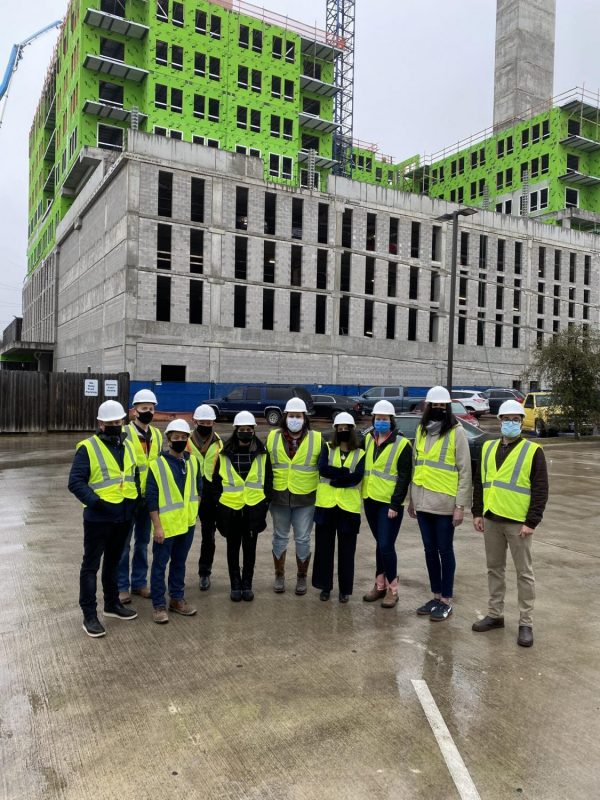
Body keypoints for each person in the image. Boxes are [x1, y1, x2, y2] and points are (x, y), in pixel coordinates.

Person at [471, 399, 548, 647]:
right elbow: (480, 482)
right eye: (507, 419)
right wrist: (477, 512)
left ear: (521, 422)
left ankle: (526, 623)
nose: (511, 423)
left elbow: (540, 489)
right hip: (492, 519)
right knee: (494, 569)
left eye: (515, 419)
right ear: (500, 421)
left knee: (524, 573)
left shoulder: (533, 451)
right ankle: (495, 615)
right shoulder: (488, 448)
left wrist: (532, 521)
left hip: (518, 523)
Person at [68, 400, 140, 638]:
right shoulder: (87, 448)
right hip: (98, 518)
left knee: (113, 562)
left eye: (118, 422)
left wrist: (134, 502)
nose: (115, 425)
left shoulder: (127, 445)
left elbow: (132, 476)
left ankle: (112, 604)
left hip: (123, 515)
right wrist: (97, 503)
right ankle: (89, 615)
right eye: (110, 422)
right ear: (100, 424)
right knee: (91, 566)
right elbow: (75, 482)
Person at [408, 386, 472, 621]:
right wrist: (412, 499)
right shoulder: (421, 430)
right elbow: (416, 466)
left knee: (445, 550)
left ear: (448, 407)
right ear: (427, 406)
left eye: (442, 405)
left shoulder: (456, 432)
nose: (438, 409)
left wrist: (460, 506)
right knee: (429, 551)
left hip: (445, 504)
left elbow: (465, 471)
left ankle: (446, 600)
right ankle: (435, 596)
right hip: (422, 502)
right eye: (434, 405)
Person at [212, 411, 273, 601]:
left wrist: (264, 503)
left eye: (248, 429)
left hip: (253, 508)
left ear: (253, 430)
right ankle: (235, 584)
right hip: (230, 509)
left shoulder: (262, 454)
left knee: (250, 549)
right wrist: (220, 505)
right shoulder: (224, 454)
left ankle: (247, 584)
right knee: (232, 548)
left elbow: (268, 481)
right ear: (236, 430)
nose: (245, 432)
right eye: (242, 429)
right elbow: (216, 482)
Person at [146, 419, 201, 624]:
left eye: (184, 437)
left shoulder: (192, 462)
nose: (180, 440)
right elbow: (151, 498)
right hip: (166, 526)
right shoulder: (157, 465)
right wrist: (157, 526)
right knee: (160, 565)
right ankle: (159, 605)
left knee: (179, 563)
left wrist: (193, 512)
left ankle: (177, 599)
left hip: (187, 524)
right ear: (169, 440)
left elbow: (199, 489)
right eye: (176, 437)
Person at [266, 397, 322, 595]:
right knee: (279, 537)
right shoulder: (272, 437)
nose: (295, 419)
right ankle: (279, 575)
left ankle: (301, 577)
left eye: (298, 416)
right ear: (285, 417)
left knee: (303, 539)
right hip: (279, 496)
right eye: (292, 416)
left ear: (305, 418)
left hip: (305, 498)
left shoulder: (317, 438)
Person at [362, 400, 412, 608]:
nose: (380, 421)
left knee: (385, 545)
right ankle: (379, 585)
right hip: (370, 500)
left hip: (389, 504)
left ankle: (392, 589)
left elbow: (404, 477)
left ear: (391, 420)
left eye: (384, 419)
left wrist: (395, 504)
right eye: (378, 418)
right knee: (380, 544)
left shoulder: (402, 444)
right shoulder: (368, 439)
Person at [312, 412, 365, 603]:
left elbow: (357, 477)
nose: (343, 431)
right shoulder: (327, 447)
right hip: (326, 506)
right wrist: (343, 473)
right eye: (340, 428)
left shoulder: (360, 453)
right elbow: (323, 469)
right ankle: (325, 587)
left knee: (347, 552)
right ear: (335, 430)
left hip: (348, 508)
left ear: (352, 430)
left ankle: (345, 590)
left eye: (346, 428)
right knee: (324, 549)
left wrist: (337, 480)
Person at [117, 389, 163, 604]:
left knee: (143, 542)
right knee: (123, 544)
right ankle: (121, 587)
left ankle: (139, 583)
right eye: (144, 408)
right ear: (134, 411)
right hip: (128, 497)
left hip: (148, 499)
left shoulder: (157, 435)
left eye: (151, 409)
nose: (148, 412)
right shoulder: (123, 433)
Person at [188, 404, 223, 591]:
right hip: (189, 491)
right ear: (195, 422)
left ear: (213, 423)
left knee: (208, 535)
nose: (205, 425)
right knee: (181, 535)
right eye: (202, 422)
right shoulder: (185, 440)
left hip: (210, 493)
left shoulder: (219, 443)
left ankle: (204, 572)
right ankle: (175, 573)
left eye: (209, 423)